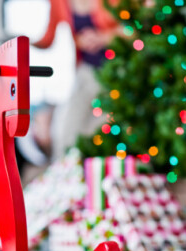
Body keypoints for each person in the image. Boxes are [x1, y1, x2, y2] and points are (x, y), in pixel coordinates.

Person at [34, 0, 125, 160]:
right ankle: (63, 174)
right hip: (86, 70)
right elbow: (48, 38)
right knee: (66, 128)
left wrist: (104, 38)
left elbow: (133, 28)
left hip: (117, 72)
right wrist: (21, 38)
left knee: (100, 129)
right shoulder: (59, 3)